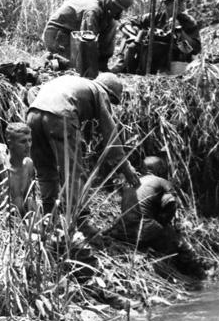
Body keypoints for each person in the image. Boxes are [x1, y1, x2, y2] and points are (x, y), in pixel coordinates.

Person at [26, 72, 139, 227]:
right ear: (110, 93)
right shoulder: (100, 91)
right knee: (73, 172)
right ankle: (81, 222)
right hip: (60, 116)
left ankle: (49, 218)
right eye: (112, 101)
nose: (110, 104)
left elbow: (32, 91)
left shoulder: (73, 82)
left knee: (46, 170)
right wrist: (125, 167)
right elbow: (110, 134)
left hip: (33, 114)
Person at [106, 156, 205, 278]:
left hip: (123, 232)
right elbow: (171, 202)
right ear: (160, 169)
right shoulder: (161, 182)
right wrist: (163, 223)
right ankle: (200, 276)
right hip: (145, 232)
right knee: (182, 246)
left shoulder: (131, 183)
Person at [43, 0, 136, 74]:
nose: (119, 11)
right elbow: (88, 41)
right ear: (111, 1)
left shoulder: (105, 4)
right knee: (76, 68)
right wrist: (90, 66)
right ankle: (53, 58)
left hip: (74, 32)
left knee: (112, 23)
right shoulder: (92, 10)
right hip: (57, 34)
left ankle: (101, 66)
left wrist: (101, 64)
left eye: (121, 9)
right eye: (117, 8)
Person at [111, 0, 202, 74]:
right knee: (133, 31)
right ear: (166, 4)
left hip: (172, 63)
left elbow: (196, 49)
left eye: (182, 2)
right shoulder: (155, 17)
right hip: (147, 61)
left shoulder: (188, 22)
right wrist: (134, 35)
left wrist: (179, 31)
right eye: (176, 3)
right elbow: (125, 22)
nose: (180, 7)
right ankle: (122, 64)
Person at [3, 121, 37, 217]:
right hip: (8, 220)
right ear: (10, 143)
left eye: (30, 140)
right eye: (23, 141)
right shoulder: (4, 171)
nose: (28, 145)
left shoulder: (29, 164)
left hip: (27, 218)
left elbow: (30, 198)